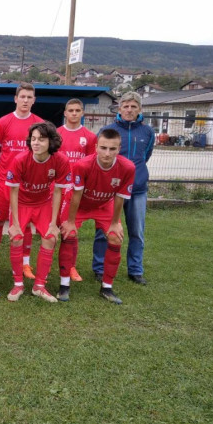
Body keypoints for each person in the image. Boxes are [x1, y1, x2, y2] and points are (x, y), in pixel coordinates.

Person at [59, 128, 135, 304]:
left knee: (115, 237)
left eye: (112, 149)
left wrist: (115, 223)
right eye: (103, 148)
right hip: (79, 204)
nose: (107, 153)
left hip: (104, 204)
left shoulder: (127, 167)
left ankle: (106, 288)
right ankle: (64, 285)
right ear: (96, 147)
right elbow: (76, 195)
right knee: (69, 234)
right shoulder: (83, 165)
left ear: (119, 149)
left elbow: (120, 197)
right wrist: (70, 222)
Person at [93, 92, 154, 285]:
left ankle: (135, 270)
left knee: (136, 231)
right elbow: (101, 156)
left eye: (133, 106)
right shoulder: (108, 130)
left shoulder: (147, 132)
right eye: (126, 106)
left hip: (137, 190)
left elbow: (146, 155)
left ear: (140, 109)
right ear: (119, 108)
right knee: (104, 230)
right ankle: (100, 268)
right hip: (111, 190)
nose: (129, 110)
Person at [6, 122, 70, 303]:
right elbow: (13, 191)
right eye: (33, 139)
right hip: (22, 203)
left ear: (51, 141)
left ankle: (39, 286)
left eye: (41, 139)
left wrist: (53, 223)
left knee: (50, 237)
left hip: (43, 203)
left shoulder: (61, 160)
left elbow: (58, 191)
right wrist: (15, 223)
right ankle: (18, 284)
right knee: (16, 237)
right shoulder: (20, 159)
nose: (36, 143)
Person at [0, 82, 43, 280]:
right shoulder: (4, 122)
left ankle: (25, 264)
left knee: (26, 224)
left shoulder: (39, 124)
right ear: (15, 99)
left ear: (34, 100)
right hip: (4, 180)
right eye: (22, 97)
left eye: (29, 97)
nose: (25, 100)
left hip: (27, 184)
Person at [56, 98, 97, 283]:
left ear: (82, 113)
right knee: (51, 229)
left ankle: (70, 266)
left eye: (77, 110)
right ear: (65, 113)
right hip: (57, 188)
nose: (74, 113)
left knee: (70, 229)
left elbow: (91, 164)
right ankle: (46, 265)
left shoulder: (90, 137)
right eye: (70, 110)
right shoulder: (56, 134)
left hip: (76, 189)